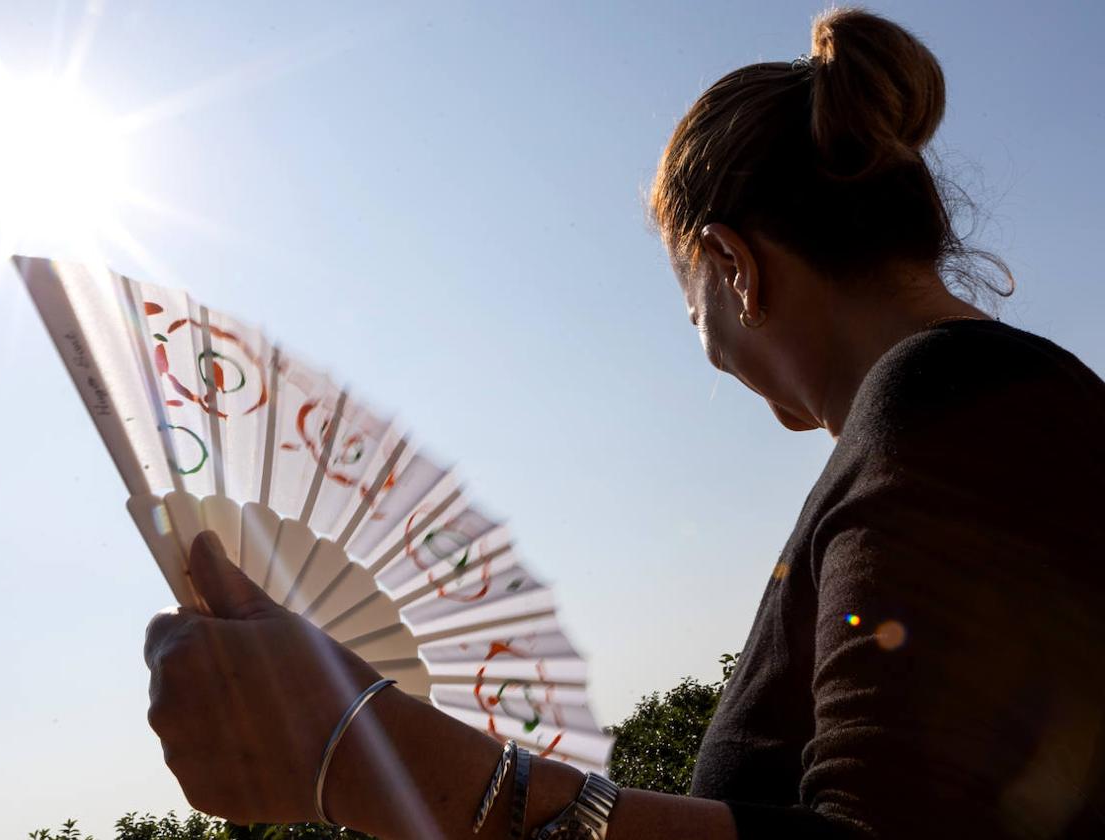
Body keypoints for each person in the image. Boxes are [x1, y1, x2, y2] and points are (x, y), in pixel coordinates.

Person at [143, 8, 1105, 839]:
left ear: (734, 266)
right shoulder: (974, 414)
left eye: (695, 314)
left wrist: (375, 757)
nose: (712, 355)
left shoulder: (948, 400)